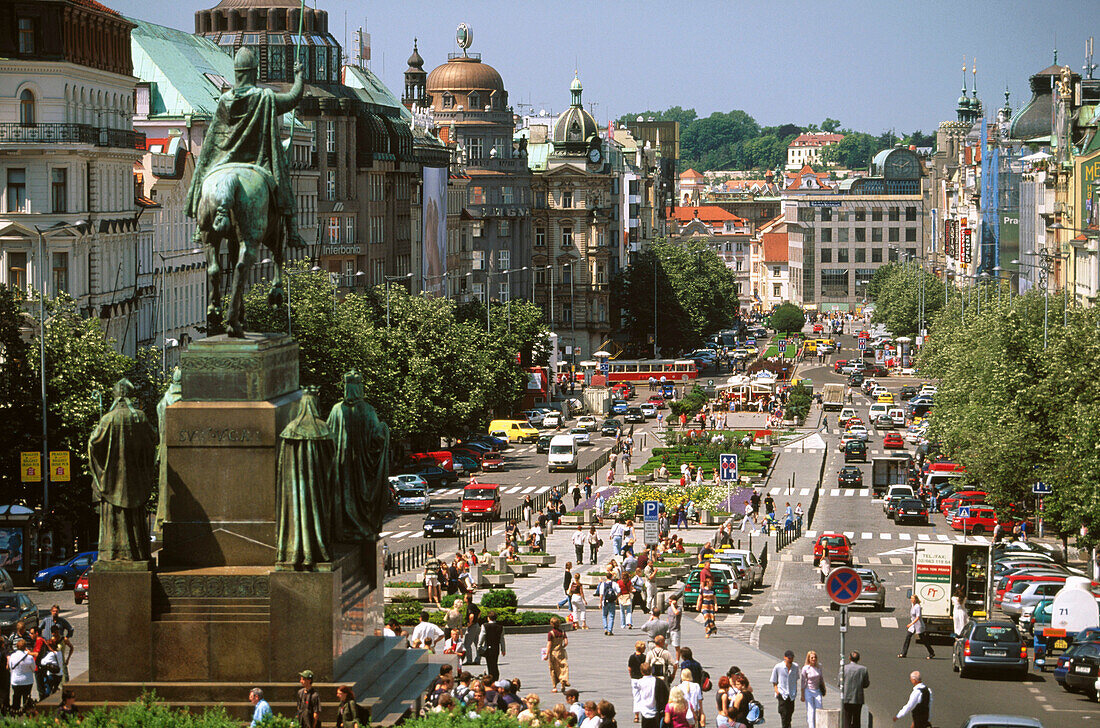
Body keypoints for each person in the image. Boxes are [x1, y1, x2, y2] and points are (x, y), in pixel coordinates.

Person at [840, 651, 870, 728]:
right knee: (857, 718)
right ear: (859, 659)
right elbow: (866, 684)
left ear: (849, 658)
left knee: (847, 719)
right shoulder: (863, 669)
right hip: (858, 698)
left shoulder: (844, 668)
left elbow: (839, 683)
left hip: (846, 697)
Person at [770, 649, 798, 728]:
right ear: (785, 657)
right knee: (784, 714)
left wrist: (795, 690)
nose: (790, 659)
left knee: (790, 714)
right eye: (789, 658)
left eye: (792, 658)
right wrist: (777, 691)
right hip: (782, 694)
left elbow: (796, 679)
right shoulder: (778, 667)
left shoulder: (795, 667)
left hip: (791, 694)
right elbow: (774, 680)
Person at [478, 611, 507, 681]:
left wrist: (479, 645)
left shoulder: (485, 626)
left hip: (488, 647)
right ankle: (495, 677)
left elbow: (482, 636)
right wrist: (503, 649)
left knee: (490, 664)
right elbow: (502, 639)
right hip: (496, 648)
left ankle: (492, 678)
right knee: (494, 663)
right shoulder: (500, 627)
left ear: (488, 618)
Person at [799, 651, 824, 728]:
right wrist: (802, 694)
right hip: (808, 690)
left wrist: (823, 688)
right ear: (809, 659)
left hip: (817, 690)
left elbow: (821, 678)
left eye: (815, 657)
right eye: (812, 657)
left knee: (819, 708)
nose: (814, 659)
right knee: (811, 710)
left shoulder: (819, 666)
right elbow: (803, 682)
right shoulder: (806, 668)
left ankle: (819, 725)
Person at [629, 640, 648, 722]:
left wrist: (631, 676)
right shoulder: (644, 657)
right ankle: (644, 714)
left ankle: (636, 716)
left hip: (634, 678)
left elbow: (629, 668)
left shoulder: (632, 657)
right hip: (642, 678)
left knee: (636, 697)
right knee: (644, 696)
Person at [667, 596, 684, 662]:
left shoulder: (679, 608)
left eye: (670, 601)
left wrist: (672, 605)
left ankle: (677, 660)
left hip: (676, 630)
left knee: (676, 646)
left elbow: (676, 612)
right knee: (665, 644)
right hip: (668, 629)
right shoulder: (669, 608)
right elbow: (668, 618)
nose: (669, 603)